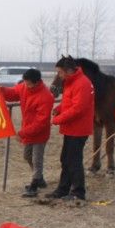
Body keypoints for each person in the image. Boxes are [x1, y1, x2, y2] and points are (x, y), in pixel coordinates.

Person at [0, 69, 55, 198]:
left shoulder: (46, 96)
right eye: (25, 82)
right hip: (28, 130)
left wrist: (22, 133)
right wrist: (1, 90)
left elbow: (41, 123)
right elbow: (13, 93)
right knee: (27, 156)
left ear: (36, 83)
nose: (26, 85)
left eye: (28, 83)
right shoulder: (24, 86)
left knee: (37, 159)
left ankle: (34, 185)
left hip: (40, 133)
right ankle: (39, 178)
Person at [45, 58, 94, 201]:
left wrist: (58, 119)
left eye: (60, 72)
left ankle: (78, 192)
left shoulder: (83, 83)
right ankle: (63, 189)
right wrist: (59, 108)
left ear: (69, 70)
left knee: (73, 160)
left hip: (78, 129)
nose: (59, 75)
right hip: (70, 128)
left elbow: (78, 108)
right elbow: (70, 102)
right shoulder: (72, 82)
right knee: (65, 159)